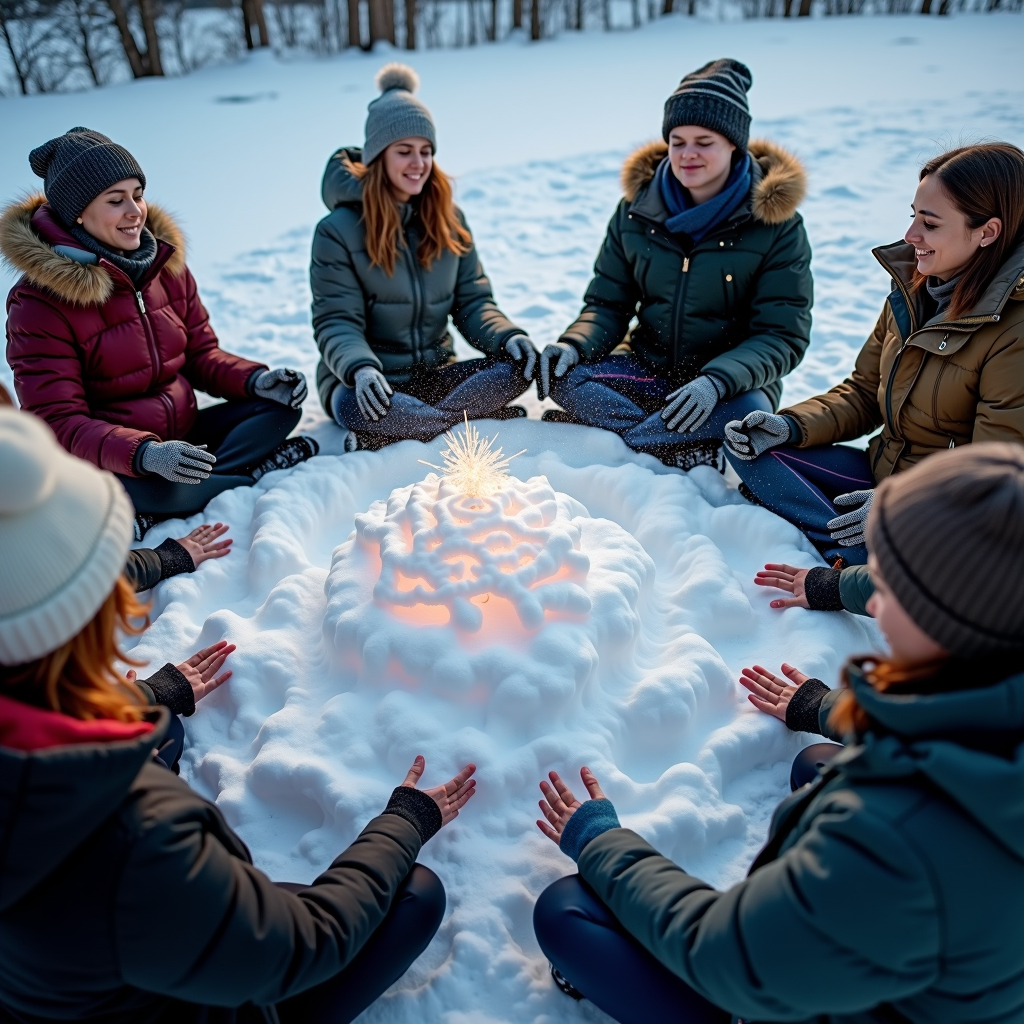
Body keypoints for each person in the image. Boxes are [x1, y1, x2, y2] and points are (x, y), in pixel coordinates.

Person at [0, 406, 477, 1023]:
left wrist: (150, 695)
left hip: (70, 968)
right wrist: (403, 823)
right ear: (81, 619)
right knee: (413, 895)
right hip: (178, 985)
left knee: (160, 726)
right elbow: (303, 944)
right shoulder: (132, 841)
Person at [532, 441, 1024, 1024]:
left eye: (886, 581)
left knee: (565, 912)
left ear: (935, 618)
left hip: (812, 994)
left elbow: (728, 956)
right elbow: (951, 727)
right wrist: (824, 703)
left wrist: (599, 842)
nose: (872, 584)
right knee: (817, 760)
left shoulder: (897, 838)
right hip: (958, 950)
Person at [3, 127, 317, 539]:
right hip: (116, 462)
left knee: (278, 408)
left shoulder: (165, 267)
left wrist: (256, 379)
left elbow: (202, 355)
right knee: (122, 488)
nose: (136, 211)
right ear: (76, 211)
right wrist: (145, 453)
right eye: (116, 201)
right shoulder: (38, 304)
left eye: (138, 194)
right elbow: (58, 422)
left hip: (183, 435)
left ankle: (192, 489)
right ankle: (240, 476)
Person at [725, 142, 1024, 566]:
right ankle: (855, 551)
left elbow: (992, 475)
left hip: (951, 514)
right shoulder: (913, 291)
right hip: (879, 473)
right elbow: (865, 392)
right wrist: (789, 425)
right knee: (749, 448)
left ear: (987, 232)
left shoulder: (1014, 329)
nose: (910, 236)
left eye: (931, 224)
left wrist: (898, 504)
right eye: (913, 216)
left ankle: (857, 554)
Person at [541, 59, 812, 470]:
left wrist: (715, 380)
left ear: (734, 144)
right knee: (563, 377)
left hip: (725, 388)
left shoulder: (777, 226)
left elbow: (781, 335)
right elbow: (607, 304)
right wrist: (574, 344)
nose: (687, 155)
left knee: (748, 420)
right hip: (647, 371)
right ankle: (671, 443)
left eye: (704, 141)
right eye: (677, 141)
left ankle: (620, 435)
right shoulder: (636, 211)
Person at [312, 64, 537, 449]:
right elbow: (337, 320)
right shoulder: (336, 230)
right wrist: (361, 368)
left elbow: (474, 302)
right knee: (363, 404)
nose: (418, 164)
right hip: (369, 385)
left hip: (436, 375)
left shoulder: (449, 220)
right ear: (378, 156)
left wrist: (508, 337)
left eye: (426, 151)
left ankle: (400, 433)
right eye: (404, 152)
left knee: (517, 369)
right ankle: (459, 421)